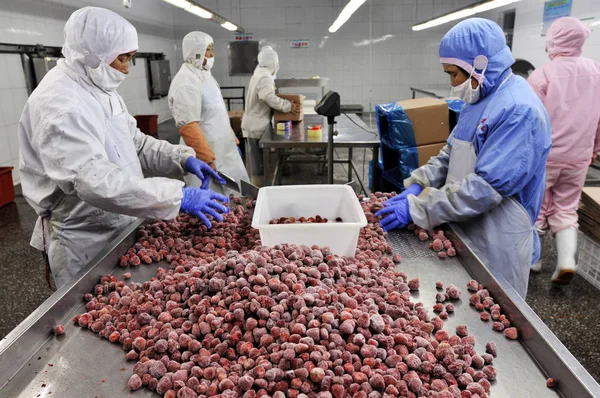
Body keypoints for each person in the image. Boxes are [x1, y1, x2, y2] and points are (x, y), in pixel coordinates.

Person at [18, 7, 229, 289]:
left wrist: (182, 158)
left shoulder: (101, 90)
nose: (127, 68)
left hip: (123, 221)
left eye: (131, 58)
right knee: (93, 311)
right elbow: (94, 181)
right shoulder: (61, 106)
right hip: (84, 238)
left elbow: (136, 143)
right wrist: (178, 195)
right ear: (92, 54)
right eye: (122, 58)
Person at [377, 18, 551, 298]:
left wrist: (419, 209)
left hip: (499, 237)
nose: (452, 83)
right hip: (465, 220)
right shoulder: (480, 98)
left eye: (453, 73)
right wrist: (418, 183)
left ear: (479, 65)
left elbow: (486, 188)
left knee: (496, 311)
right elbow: (451, 153)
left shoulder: (519, 111)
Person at [528, 17, 600, 284]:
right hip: (579, 157)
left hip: (546, 157)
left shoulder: (543, 74)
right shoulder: (597, 71)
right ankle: (566, 261)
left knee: (535, 207)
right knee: (567, 208)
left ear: (555, 41)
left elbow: (531, 121)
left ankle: (533, 260)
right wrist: (593, 149)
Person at [168, 32, 249, 193]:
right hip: (208, 156)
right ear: (195, 51)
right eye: (208, 50)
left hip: (225, 150)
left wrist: (231, 136)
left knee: (238, 198)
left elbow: (216, 110)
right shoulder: (186, 82)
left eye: (212, 49)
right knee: (215, 203)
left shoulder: (205, 75)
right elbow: (188, 126)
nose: (212, 55)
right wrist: (208, 159)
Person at [242, 46, 301, 184]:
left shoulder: (258, 74)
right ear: (274, 63)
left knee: (256, 163)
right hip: (256, 126)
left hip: (253, 124)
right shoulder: (264, 77)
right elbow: (267, 97)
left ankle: (259, 188)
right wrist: (288, 106)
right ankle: (258, 193)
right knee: (258, 165)